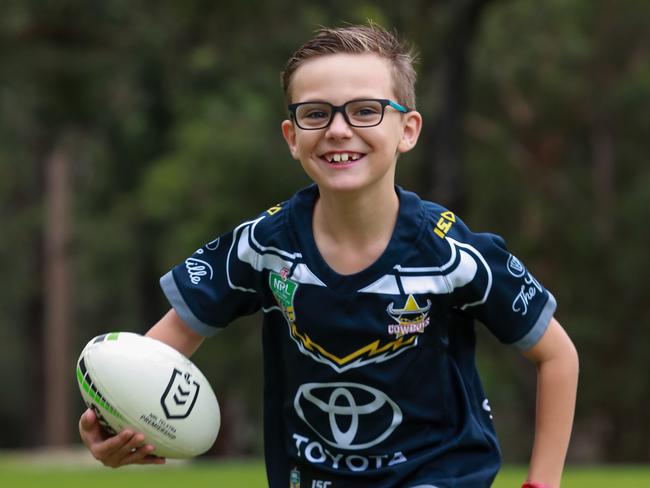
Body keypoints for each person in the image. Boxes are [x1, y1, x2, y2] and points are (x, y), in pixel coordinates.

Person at [79, 23, 579, 488]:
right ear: (292, 137)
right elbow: (162, 350)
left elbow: (557, 355)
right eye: (316, 113)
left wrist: (541, 484)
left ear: (408, 130)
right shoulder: (262, 246)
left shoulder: (454, 255)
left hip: (440, 474)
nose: (339, 130)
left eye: (365, 110)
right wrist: (115, 419)